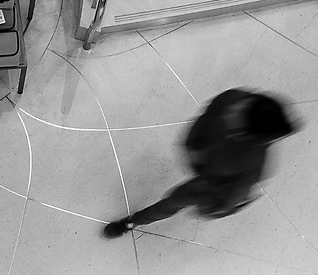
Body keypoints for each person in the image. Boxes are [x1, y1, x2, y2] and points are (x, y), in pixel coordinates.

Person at [103, 89, 298, 237]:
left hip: (209, 186)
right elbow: (206, 118)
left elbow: (230, 198)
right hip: (206, 163)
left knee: (172, 201)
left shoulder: (251, 164)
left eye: (237, 117)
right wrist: (193, 147)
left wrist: (209, 207)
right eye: (241, 106)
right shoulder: (234, 99)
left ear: (248, 135)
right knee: (174, 199)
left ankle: (133, 222)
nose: (231, 111)